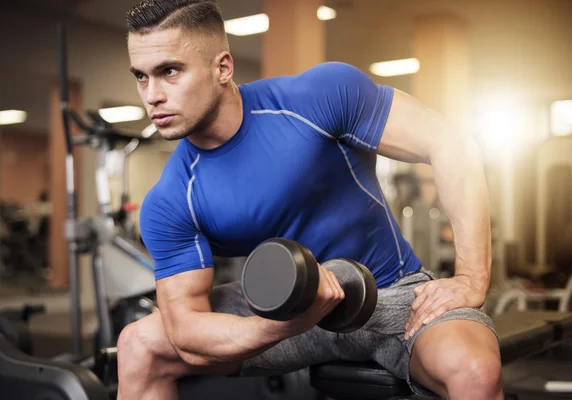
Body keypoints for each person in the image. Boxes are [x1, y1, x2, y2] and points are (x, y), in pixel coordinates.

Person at [118, 0, 502, 399]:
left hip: (390, 294)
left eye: (169, 71)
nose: (152, 95)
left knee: (474, 372)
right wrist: (284, 326)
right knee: (138, 346)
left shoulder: (316, 99)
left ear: (222, 68)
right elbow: (186, 332)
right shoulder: (172, 198)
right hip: (281, 313)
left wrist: (471, 277)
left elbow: (450, 142)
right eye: (141, 77)